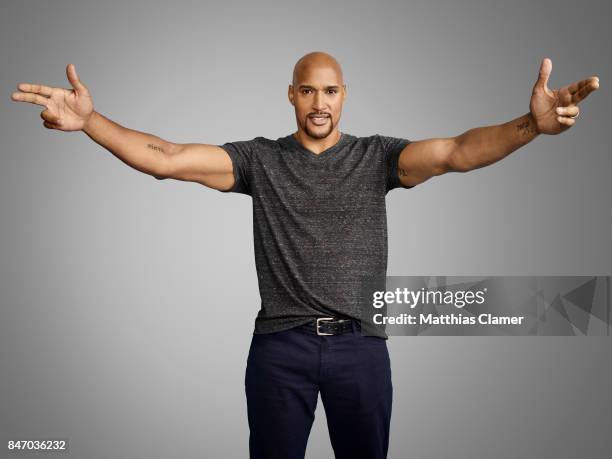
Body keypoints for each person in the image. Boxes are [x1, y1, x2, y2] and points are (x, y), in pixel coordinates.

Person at [10, 51, 599, 459]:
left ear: (345, 96)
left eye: (331, 90)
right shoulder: (259, 160)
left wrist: (531, 125)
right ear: (292, 95)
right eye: (309, 90)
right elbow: (165, 158)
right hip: (280, 350)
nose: (321, 102)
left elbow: (457, 152)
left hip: (361, 350)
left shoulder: (377, 158)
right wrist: (89, 122)